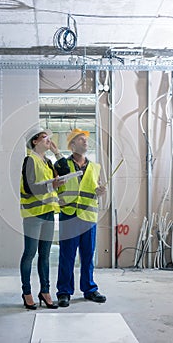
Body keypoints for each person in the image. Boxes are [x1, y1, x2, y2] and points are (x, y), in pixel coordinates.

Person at [54, 128, 107, 307]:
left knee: (87, 255)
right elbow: (53, 186)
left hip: (88, 216)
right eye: (81, 139)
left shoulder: (95, 167)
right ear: (72, 145)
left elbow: (96, 188)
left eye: (86, 139)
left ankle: (89, 289)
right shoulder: (61, 165)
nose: (85, 142)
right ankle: (64, 292)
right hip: (69, 215)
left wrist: (101, 191)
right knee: (66, 256)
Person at [19, 126, 64, 310]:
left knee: (45, 255)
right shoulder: (30, 160)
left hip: (47, 213)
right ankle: (27, 292)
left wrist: (57, 152)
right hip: (33, 215)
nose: (48, 139)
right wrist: (50, 186)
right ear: (35, 142)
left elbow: (61, 174)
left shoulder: (48, 162)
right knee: (30, 254)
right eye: (44, 137)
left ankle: (45, 291)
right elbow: (30, 188)